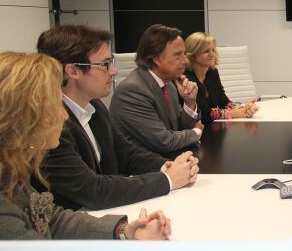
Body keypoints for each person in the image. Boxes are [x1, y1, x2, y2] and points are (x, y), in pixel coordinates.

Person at [0, 52, 171, 240]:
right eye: (54, 106)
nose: (64, 116)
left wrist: (124, 231)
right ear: (22, 117)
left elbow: (49, 219)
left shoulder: (11, 173)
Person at [36, 25, 199, 211]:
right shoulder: (49, 125)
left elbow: (125, 153)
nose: (113, 71)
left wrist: (167, 165)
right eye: (105, 64)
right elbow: (93, 191)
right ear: (73, 71)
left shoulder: (95, 106)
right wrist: (168, 179)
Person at [110, 24, 203, 156]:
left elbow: (179, 130)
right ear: (156, 59)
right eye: (178, 55)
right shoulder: (132, 90)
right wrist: (196, 132)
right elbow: (164, 141)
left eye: (184, 54)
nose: (186, 61)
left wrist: (189, 102)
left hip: (169, 160)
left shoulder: (168, 84)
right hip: (142, 170)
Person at [184, 32, 259, 124]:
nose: (212, 54)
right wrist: (235, 113)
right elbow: (205, 114)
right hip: (197, 130)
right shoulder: (186, 79)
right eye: (206, 51)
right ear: (193, 55)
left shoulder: (212, 72)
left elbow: (223, 101)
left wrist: (242, 108)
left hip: (214, 127)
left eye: (213, 50)